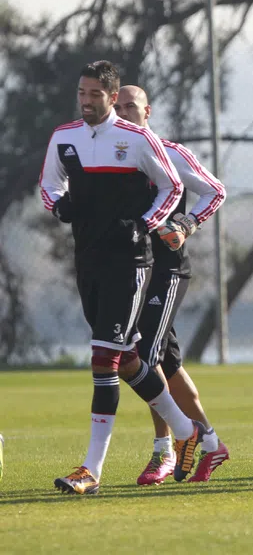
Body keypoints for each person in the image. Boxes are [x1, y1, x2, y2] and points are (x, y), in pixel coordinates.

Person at [39, 61, 205, 495]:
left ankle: (90, 470)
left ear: (112, 98)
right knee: (128, 358)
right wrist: (59, 205)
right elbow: (49, 186)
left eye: (95, 94)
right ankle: (187, 431)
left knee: (104, 358)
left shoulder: (136, 139)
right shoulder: (65, 137)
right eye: (82, 92)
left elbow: (172, 187)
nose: (86, 100)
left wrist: (145, 224)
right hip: (87, 259)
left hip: (130, 262)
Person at [114, 86, 229, 484]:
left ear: (147, 111)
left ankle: (165, 450)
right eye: (118, 107)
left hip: (167, 271)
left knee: (144, 358)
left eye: (131, 106)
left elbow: (215, 191)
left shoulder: (171, 153)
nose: (124, 113)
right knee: (169, 366)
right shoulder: (111, 158)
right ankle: (211, 444)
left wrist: (185, 223)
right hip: (131, 272)